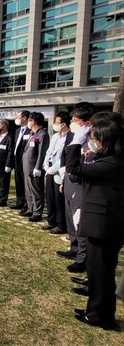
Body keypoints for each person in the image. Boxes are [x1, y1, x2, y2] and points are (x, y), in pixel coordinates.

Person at [66, 120, 124, 330]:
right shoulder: (107, 159)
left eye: (94, 138)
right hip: (100, 223)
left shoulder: (112, 163)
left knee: (102, 274)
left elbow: (73, 167)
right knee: (97, 271)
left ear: (105, 141)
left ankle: (100, 316)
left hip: (104, 226)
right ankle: (96, 311)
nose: (92, 142)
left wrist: (75, 142)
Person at [57, 103, 95, 273]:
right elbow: (68, 158)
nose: (72, 122)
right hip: (70, 181)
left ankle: (82, 257)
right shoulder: (75, 136)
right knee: (70, 217)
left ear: (87, 123)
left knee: (79, 221)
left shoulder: (91, 141)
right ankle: (74, 247)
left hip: (81, 184)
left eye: (75, 120)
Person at [42, 111, 72, 234]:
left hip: (59, 172)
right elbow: (49, 151)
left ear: (64, 124)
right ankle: (51, 221)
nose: (55, 124)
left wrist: (52, 169)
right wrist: (45, 165)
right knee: (49, 198)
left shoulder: (70, 137)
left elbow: (63, 158)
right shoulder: (55, 136)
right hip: (48, 170)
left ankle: (61, 225)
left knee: (58, 199)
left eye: (57, 122)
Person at [20, 111, 50, 222]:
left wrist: (38, 167)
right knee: (28, 189)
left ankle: (37, 212)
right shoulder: (32, 133)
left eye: (30, 120)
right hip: (27, 166)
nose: (28, 122)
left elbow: (42, 152)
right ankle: (30, 208)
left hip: (34, 167)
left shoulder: (42, 134)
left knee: (36, 190)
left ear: (35, 121)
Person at [10, 111, 32, 210]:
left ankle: (27, 204)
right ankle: (19, 201)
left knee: (25, 183)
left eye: (18, 117)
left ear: (24, 118)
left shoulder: (30, 130)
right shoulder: (18, 130)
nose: (16, 118)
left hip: (25, 159)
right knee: (18, 181)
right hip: (16, 159)